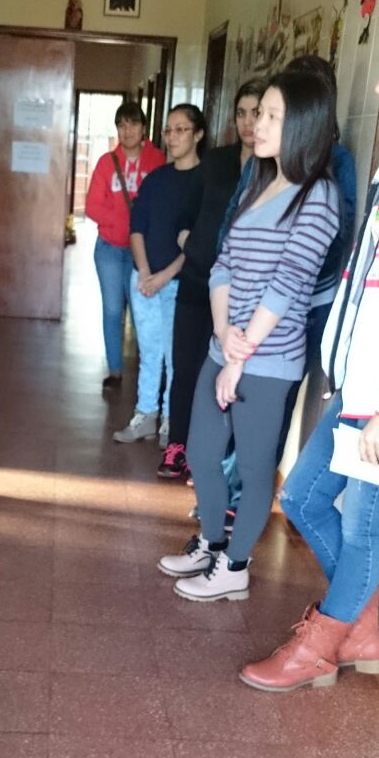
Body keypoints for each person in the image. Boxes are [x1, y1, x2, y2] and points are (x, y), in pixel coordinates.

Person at [240, 14, 379, 690]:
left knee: (364, 529)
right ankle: (362, 628)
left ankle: (320, 647)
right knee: (302, 499)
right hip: (362, 386)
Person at [158, 71, 340, 601]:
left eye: (273, 116)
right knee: (200, 452)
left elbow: (289, 282)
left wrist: (240, 357)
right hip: (226, 346)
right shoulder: (258, 184)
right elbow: (223, 266)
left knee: (256, 469)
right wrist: (223, 333)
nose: (259, 124)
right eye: (260, 114)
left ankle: (234, 567)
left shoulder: (319, 196)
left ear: (304, 125)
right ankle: (212, 544)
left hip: (268, 361)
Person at [159, 80, 264, 479]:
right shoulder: (216, 161)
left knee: (222, 377)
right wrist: (192, 242)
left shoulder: (276, 168)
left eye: (257, 113)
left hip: (241, 296)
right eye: (241, 113)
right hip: (197, 282)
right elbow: (185, 214)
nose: (248, 122)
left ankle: (211, 458)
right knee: (185, 370)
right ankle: (177, 447)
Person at [114, 104, 205, 445]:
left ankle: (170, 419)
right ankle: (145, 414)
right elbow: (136, 228)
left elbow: (199, 241)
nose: (172, 137)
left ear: (198, 134)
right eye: (168, 130)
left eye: (181, 129)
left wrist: (164, 276)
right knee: (150, 353)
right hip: (145, 281)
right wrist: (144, 272)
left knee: (174, 356)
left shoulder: (205, 182)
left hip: (179, 283)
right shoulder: (156, 179)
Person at [85, 101, 165, 389]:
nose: (127, 130)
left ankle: (149, 371)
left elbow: (162, 203)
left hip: (142, 251)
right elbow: (92, 205)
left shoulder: (157, 160)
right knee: (112, 310)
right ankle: (115, 370)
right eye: (121, 125)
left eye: (133, 124)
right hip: (109, 248)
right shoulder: (107, 163)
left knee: (142, 311)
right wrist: (122, 222)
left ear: (144, 128)